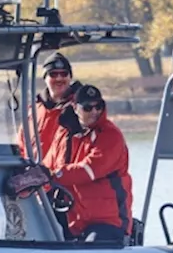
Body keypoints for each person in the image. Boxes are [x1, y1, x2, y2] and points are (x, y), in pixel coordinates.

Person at [43, 84, 134, 243]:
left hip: (108, 222)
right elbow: (48, 164)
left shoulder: (110, 135)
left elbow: (89, 170)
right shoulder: (64, 135)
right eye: (87, 108)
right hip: (73, 221)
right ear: (75, 108)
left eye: (98, 106)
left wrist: (53, 176)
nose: (94, 112)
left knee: (93, 247)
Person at [19, 52, 82, 161]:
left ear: (70, 77)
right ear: (45, 78)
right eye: (53, 74)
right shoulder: (34, 110)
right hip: (34, 173)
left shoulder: (82, 108)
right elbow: (21, 144)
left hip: (65, 174)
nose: (59, 78)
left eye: (64, 74)